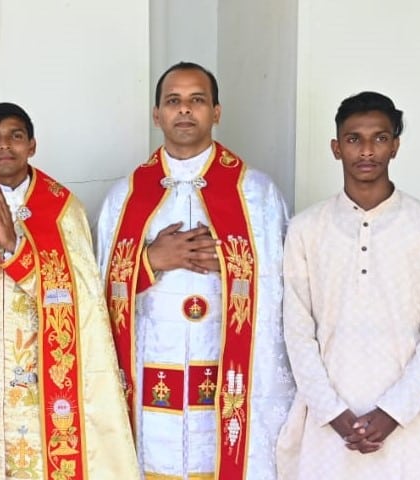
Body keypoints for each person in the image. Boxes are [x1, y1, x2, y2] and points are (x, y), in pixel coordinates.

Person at [95, 62, 293, 479]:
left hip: (226, 368)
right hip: (152, 363)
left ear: (216, 112)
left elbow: (281, 288)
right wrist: (151, 261)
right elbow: (96, 287)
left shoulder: (256, 193)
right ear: (157, 114)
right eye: (174, 101)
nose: (185, 110)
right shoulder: (126, 194)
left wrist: (232, 263)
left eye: (197, 100)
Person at [0, 102, 139, 479]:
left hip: (43, 383)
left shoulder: (61, 209)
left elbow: (81, 297)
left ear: (32, 145)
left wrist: (17, 251)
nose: (4, 146)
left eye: (15, 136)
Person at [275, 92, 420, 479]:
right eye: (353, 139)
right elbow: (297, 330)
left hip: (410, 424)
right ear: (336, 147)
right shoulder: (307, 229)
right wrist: (334, 413)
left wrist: (394, 412)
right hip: (327, 423)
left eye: (379, 138)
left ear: (395, 145)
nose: (366, 151)